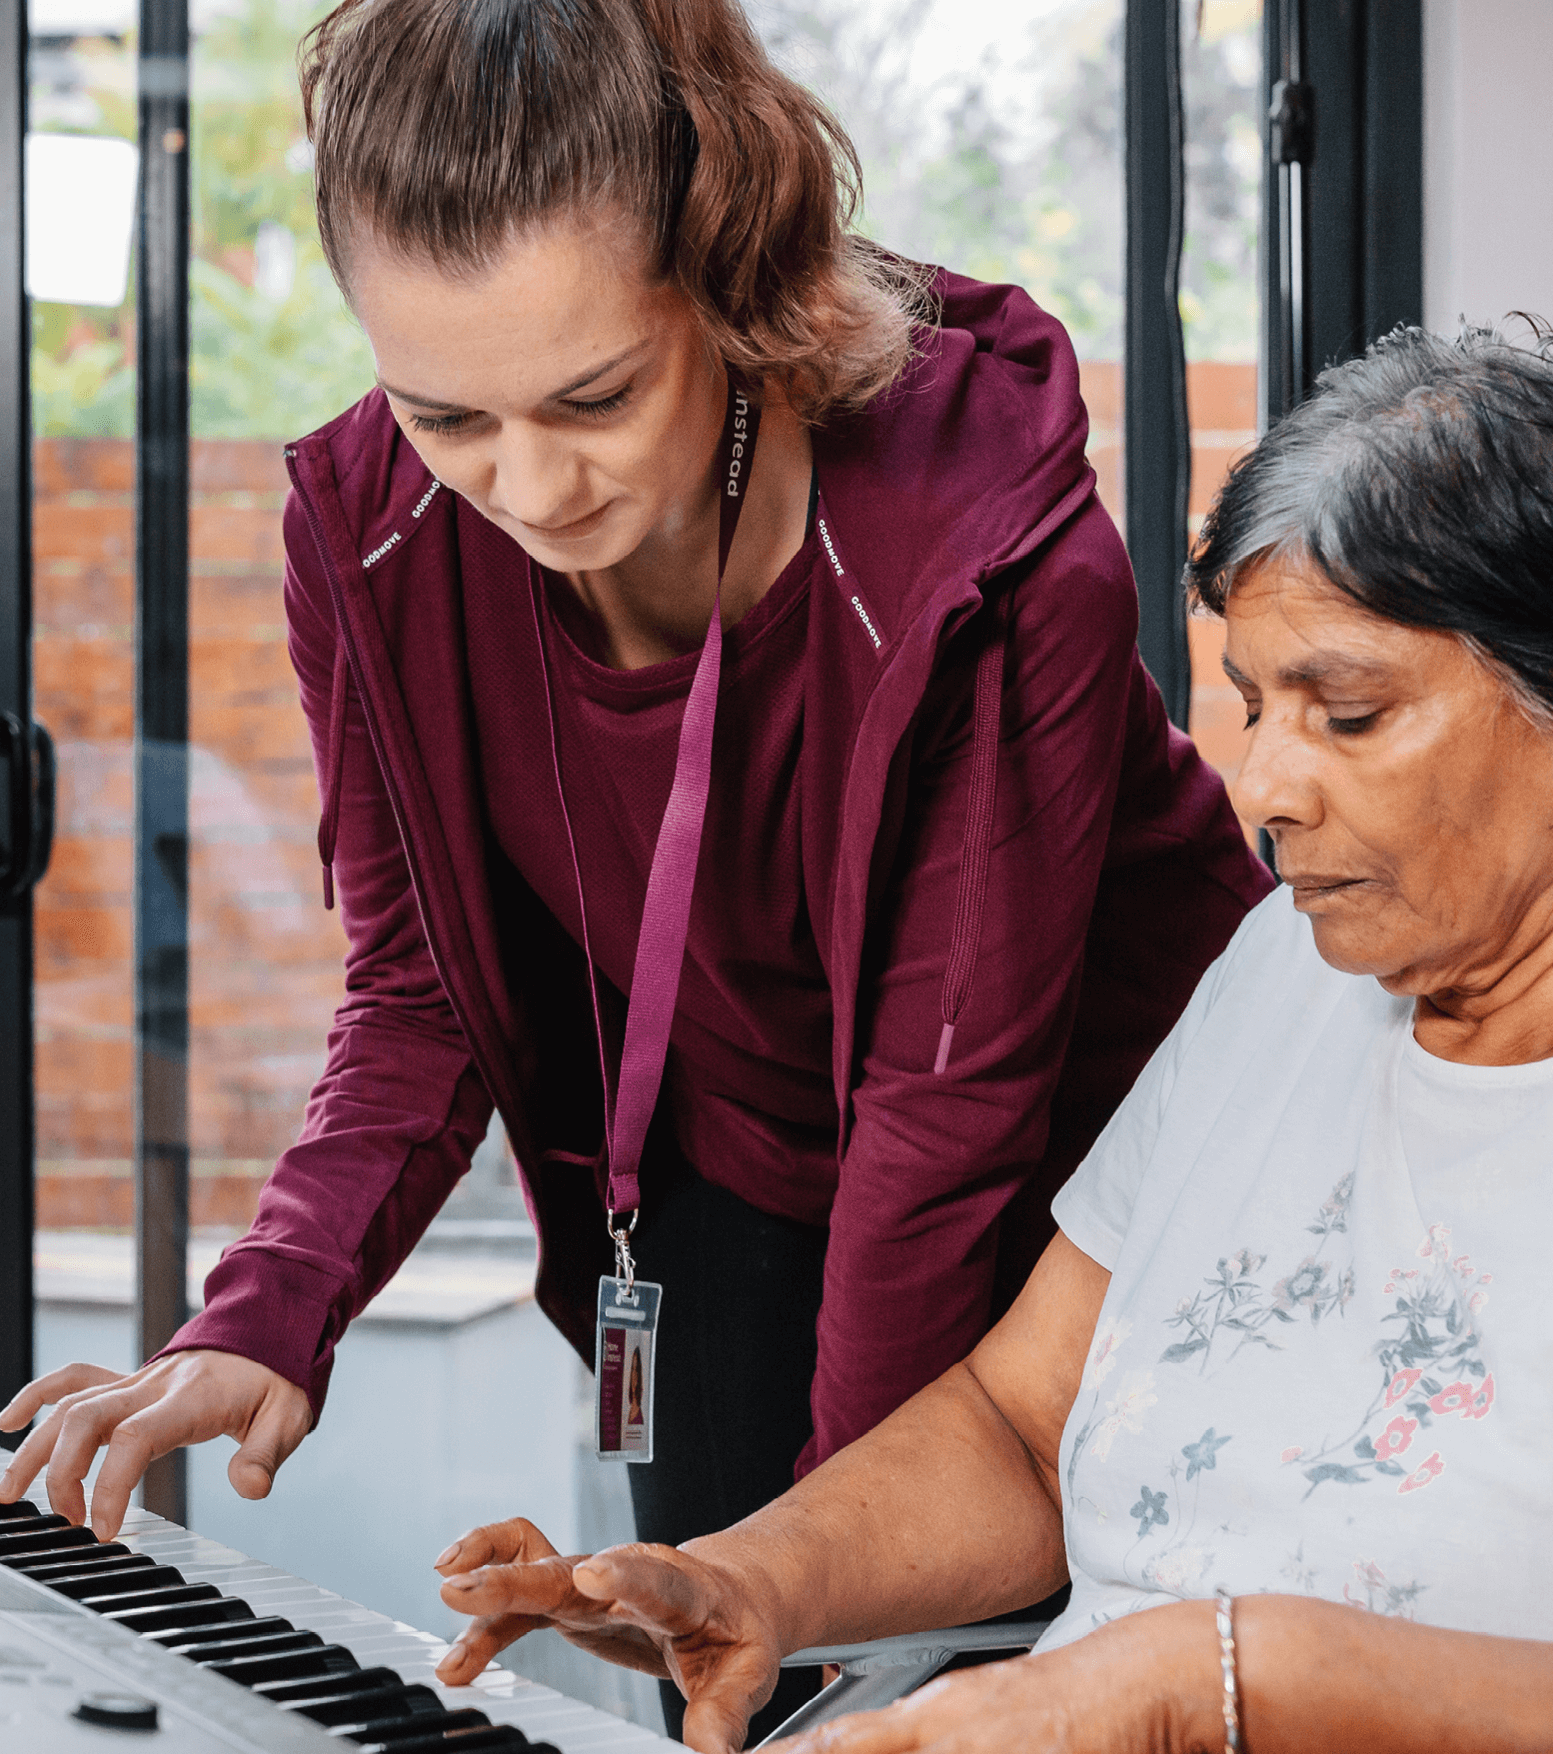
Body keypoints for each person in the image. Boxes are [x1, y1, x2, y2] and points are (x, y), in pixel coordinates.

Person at [0, 0, 1267, 1739]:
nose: (526, 486)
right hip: (738, 1169)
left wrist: (811, 1586)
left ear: (732, 279)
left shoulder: (987, 556)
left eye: (593, 396)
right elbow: (421, 985)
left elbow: (945, 1112)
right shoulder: (370, 529)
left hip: (1099, 1183)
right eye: (447, 413)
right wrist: (267, 1310)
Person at [411, 326, 1553, 1754]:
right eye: (1257, 707)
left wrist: (1219, 1681)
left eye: (1353, 711)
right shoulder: (1285, 972)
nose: (1266, 786)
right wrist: (753, 1575)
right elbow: (1021, 1424)